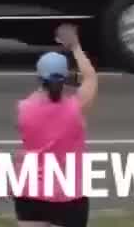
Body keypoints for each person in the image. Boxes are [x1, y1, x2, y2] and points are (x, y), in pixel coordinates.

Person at [13, 23, 95, 227]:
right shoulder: (76, 108)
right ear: (65, 77)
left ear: (39, 78)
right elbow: (90, 78)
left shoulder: (24, 108)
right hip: (69, 196)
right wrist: (75, 47)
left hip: (30, 193)